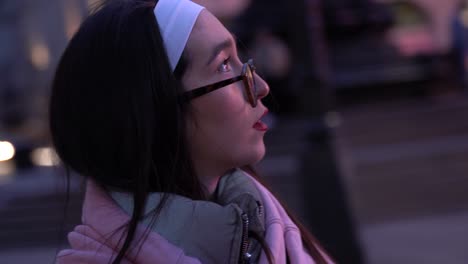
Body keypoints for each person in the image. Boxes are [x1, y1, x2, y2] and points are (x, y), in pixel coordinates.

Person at [50, 0, 334, 263]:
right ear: (152, 110)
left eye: (241, 61)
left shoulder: (272, 225)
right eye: (223, 65)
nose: (260, 86)